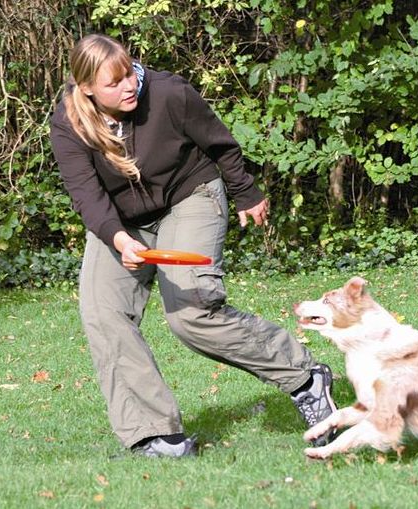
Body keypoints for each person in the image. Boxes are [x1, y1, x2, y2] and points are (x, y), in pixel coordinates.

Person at [49, 34, 336, 458]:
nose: (128, 86)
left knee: (192, 314)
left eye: (129, 73)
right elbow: (85, 193)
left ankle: (304, 377)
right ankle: (157, 434)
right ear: (87, 87)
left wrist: (247, 193)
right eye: (114, 83)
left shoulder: (167, 93)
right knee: (103, 314)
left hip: (189, 195)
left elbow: (219, 142)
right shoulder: (68, 122)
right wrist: (118, 237)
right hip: (122, 221)